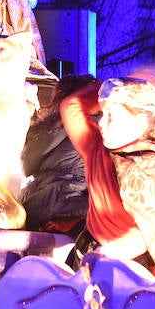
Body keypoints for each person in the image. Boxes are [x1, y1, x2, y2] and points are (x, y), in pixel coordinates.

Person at [61, 76, 155, 275]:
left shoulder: (153, 169)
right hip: (91, 258)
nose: (102, 122)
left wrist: (108, 252)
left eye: (112, 115)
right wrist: (114, 89)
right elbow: (72, 107)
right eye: (102, 113)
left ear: (143, 120)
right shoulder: (97, 148)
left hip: (129, 273)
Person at [18, 75, 93, 238]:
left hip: (37, 209)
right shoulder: (92, 126)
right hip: (70, 213)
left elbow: (26, 165)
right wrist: (81, 216)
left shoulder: (46, 131)